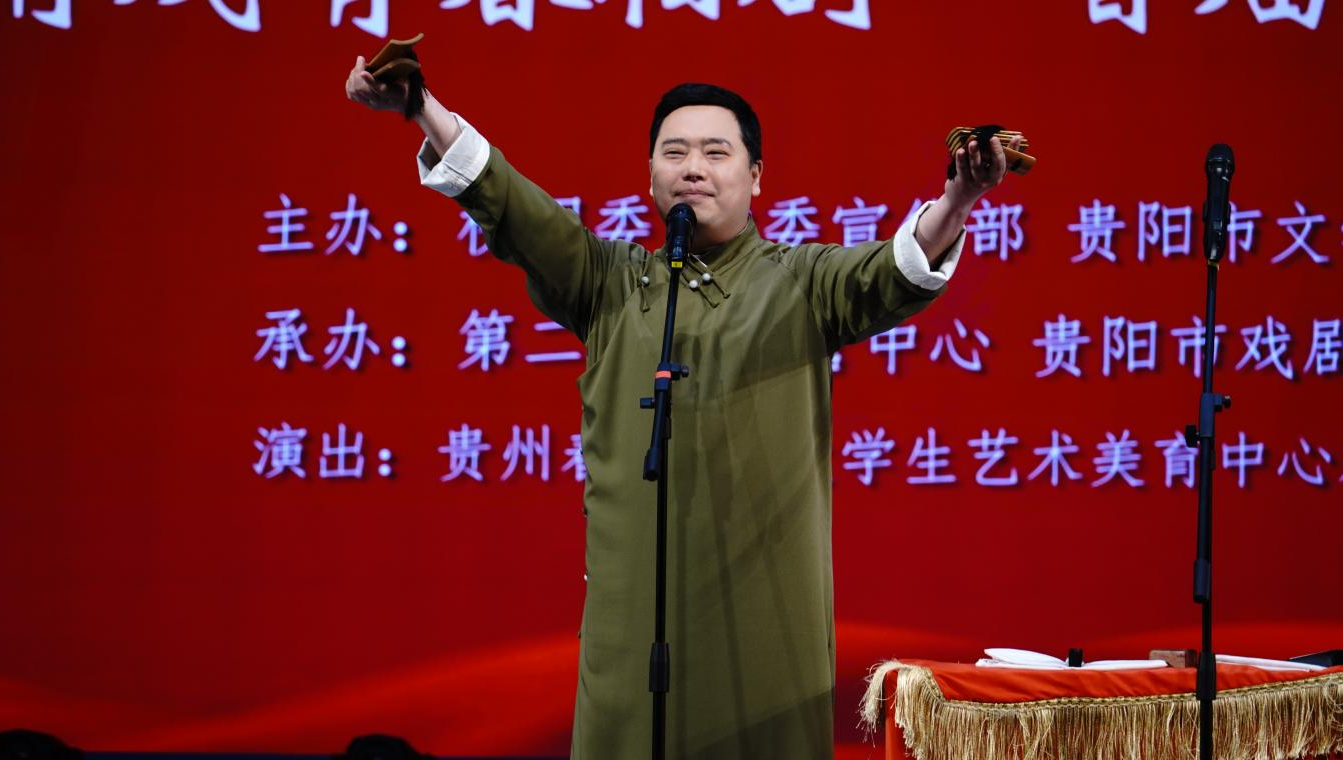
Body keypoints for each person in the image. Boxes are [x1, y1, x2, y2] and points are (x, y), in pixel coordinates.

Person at [346, 58, 1018, 759]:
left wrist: (959, 198)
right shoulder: (607, 282)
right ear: (650, 177)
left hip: (765, 631)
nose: (693, 168)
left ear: (756, 176)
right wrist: (423, 109)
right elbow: (516, 210)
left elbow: (891, 269)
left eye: (715, 152)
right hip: (631, 627)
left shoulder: (800, 282)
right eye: (674, 152)